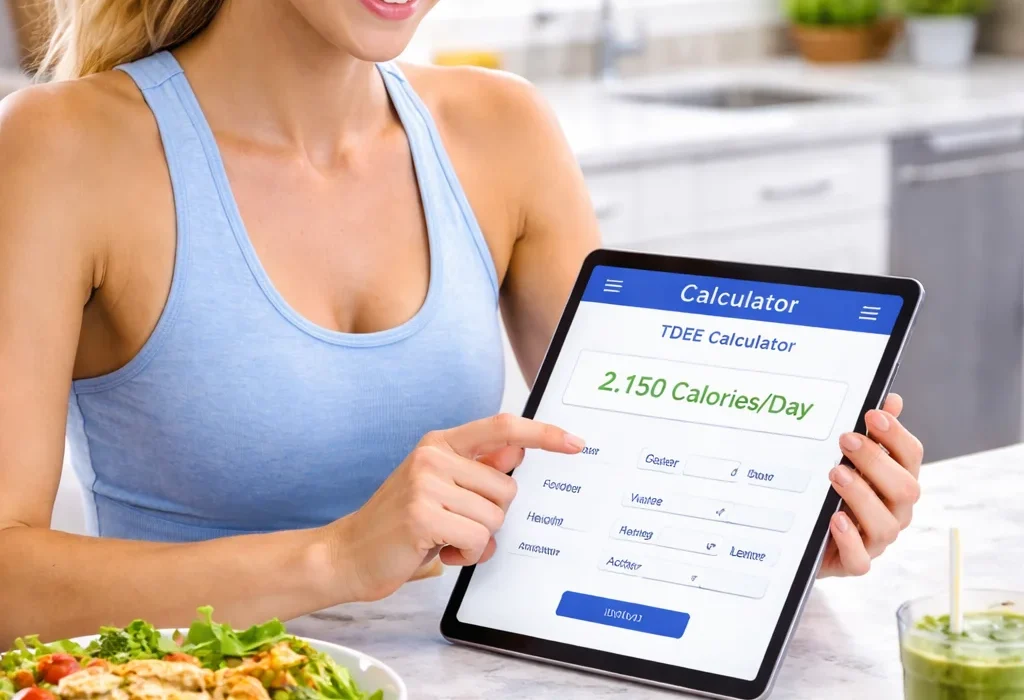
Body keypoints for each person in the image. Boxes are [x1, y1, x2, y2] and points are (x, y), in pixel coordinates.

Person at [0, 0, 924, 646]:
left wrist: (780, 530)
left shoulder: (502, 130)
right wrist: (331, 559)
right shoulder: (63, 151)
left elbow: (626, 474)